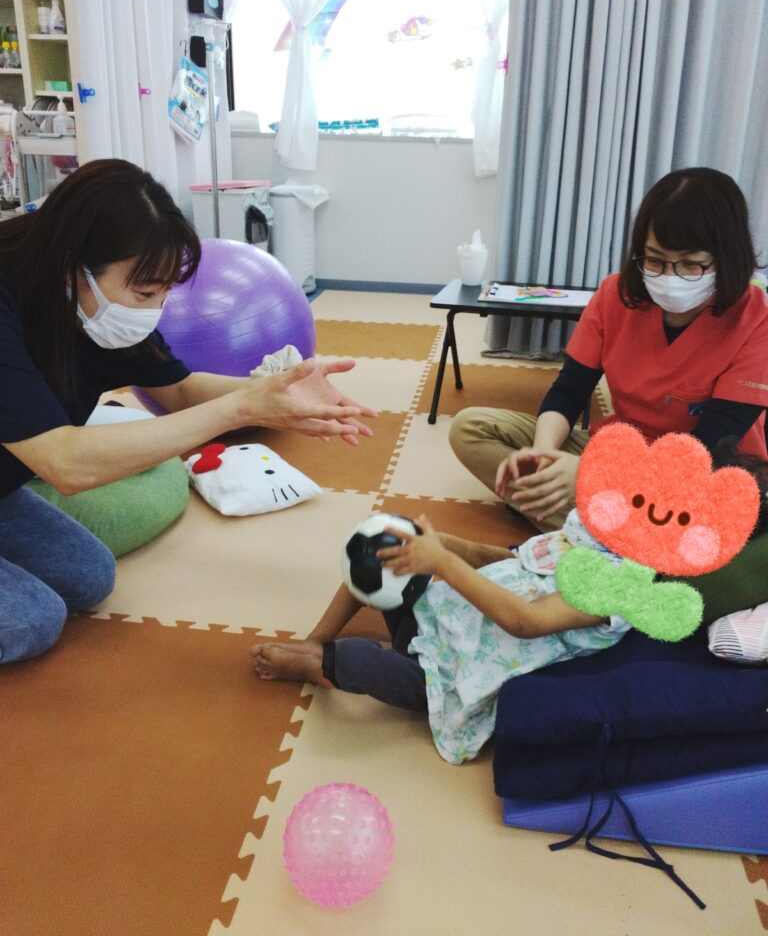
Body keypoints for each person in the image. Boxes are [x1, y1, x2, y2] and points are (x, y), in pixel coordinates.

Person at [0, 159, 376, 664]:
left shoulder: (90, 303)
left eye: (163, 292)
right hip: (39, 462)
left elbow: (178, 388)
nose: (154, 309)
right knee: (34, 619)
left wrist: (275, 394)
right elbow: (64, 463)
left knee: (89, 577)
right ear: (75, 264)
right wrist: (240, 408)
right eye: (145, 293)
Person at [449, 167, 768, 532]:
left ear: (727, 258)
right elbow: (569, 390)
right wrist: (543, 455)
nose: (669, 277)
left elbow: (707, 448)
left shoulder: (757, 320)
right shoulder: (617, 295)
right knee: (471, 428)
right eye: (654, 260)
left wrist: (592, 473)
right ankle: (597, 527)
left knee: (709, 521)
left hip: (702, 475)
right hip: (619, 451)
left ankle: (587, 523)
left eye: (691, 265)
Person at [252, 511, 631, 765]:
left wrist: (443, 562)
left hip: (453, 673)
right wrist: (444, 544)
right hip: (438, 614)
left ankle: (317, 664)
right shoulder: (581, 536)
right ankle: (317, 638)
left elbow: (523, 621)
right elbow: (510, 560)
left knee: (360, 659)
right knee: (383, 553)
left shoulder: (616, 587)